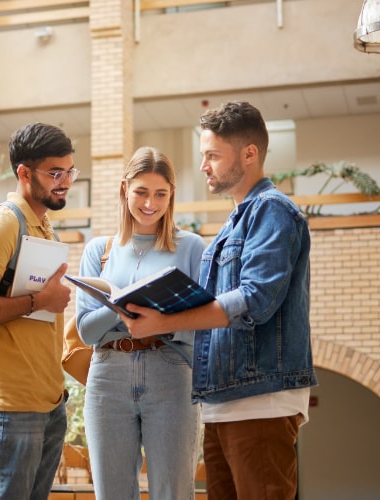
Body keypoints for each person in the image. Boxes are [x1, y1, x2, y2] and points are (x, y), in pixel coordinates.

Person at [123, 102, 316, 500]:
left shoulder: (272, 211)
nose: (204, 166)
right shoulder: (235, 219)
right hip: (223, 399)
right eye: (203, 156)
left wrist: (162, 322)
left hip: (259, 399)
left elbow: (255, 299)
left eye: (212, 155)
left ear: (249, 153)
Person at [0, 122, 76, 500]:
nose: (65, 181)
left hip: (48, 400)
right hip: (9, 403)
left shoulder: (44, 225)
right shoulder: (5, 223)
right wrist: (41, 302)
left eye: (70, 171)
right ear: (24, 173)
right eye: (55, 173)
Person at [76, 146, 206, 500]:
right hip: (107, 376)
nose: (151, 203)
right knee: (112, 493)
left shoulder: (192, 248)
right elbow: (86, 330)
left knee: (173, 492)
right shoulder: (98, 250)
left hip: (171, 373)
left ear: (172, 195)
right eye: (142, 192)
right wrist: (123, 304)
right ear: (124, 189)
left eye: (161, 194)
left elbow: (205, 323)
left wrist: (158, 322)